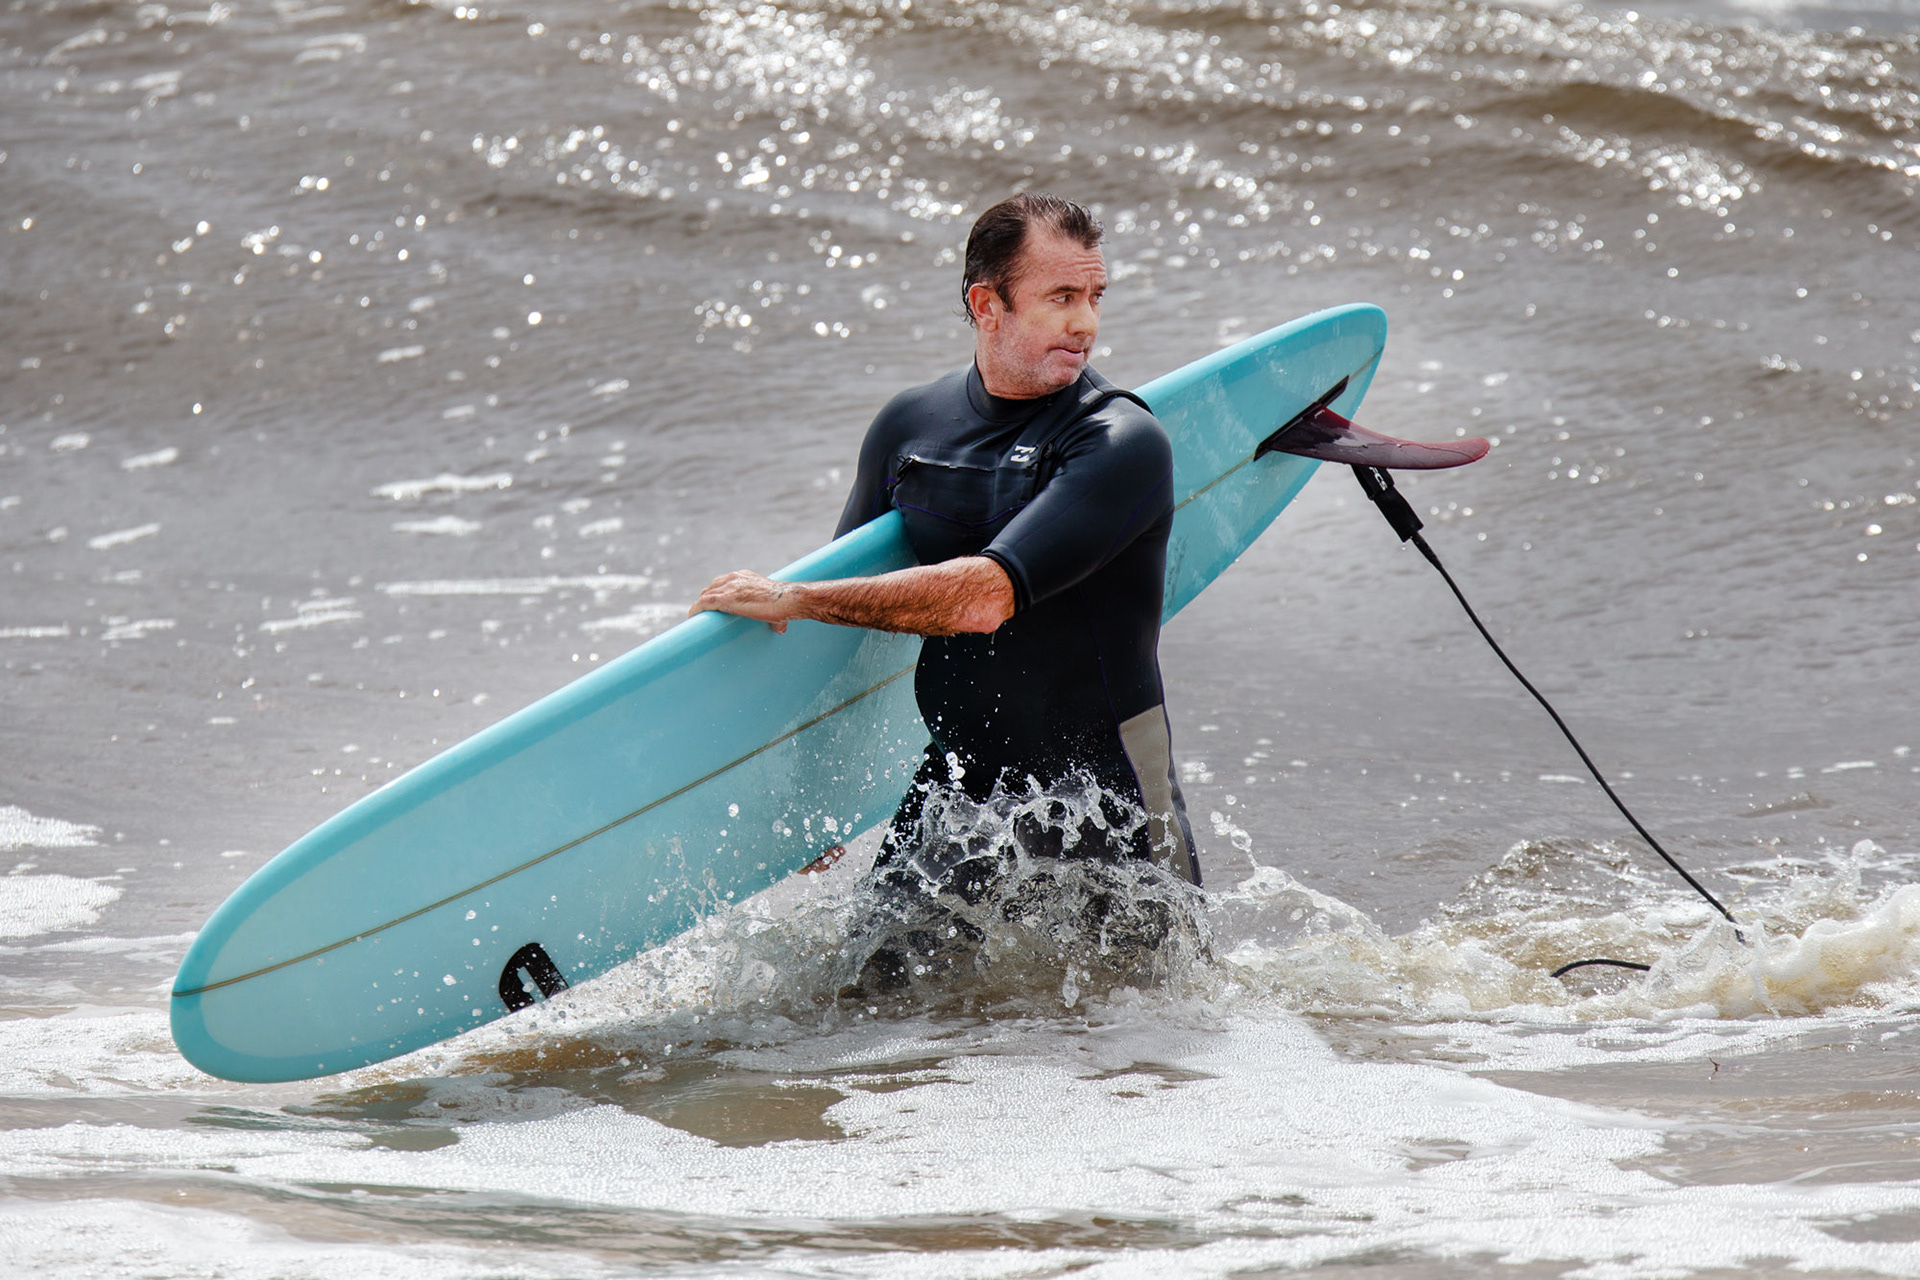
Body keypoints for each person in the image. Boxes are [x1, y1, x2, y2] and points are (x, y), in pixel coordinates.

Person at [691, 192, 1199, 923]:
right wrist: (817, 800)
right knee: (868, 979)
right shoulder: (910, 427)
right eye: (1060, 297)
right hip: (961, 779)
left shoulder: (1119, 441)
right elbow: (843, 635)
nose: (1085, 323)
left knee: (1141, 995)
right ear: (987, 304)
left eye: (1095, 297)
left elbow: (981, 598)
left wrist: (795, 597)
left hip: (1103, 788)